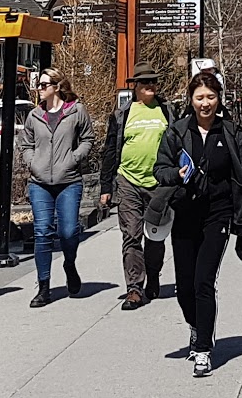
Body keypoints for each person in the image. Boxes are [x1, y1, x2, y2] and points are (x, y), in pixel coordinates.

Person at [156, 70, 242, 378]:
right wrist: (175, 175)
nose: (205, 103)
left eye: (211, 97)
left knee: (204, 281)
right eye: (199, 97)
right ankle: (195, 325)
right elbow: (159, 169)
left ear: (219, 99)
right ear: (190, 100)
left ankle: (203, 347)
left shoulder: (230, 132)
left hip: (218, 214)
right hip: (185, 215)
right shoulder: (177, 132)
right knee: (184, 289)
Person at [101, 63, 174, 308]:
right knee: (131, 236)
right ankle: (134, 288)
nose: (150, 86)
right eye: (144, 83)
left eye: (153, 81)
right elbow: (110, 150)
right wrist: (105, 186)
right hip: (128, 180)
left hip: (158, 183)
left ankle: (153, 277)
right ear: (135, 87)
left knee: (155, 237)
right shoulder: (122, 114)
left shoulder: (166, 111)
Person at [20, 68, 94, 307]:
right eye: (38, 85)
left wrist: (73, 159)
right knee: (42, 233)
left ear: (56, 86)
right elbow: (26, 144)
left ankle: (69, 264)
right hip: (39, 182)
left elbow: (87, 139)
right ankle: (43, 287)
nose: (39, 89)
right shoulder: (34, 115)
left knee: (69, 231)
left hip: (69, 181)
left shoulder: (76, 111)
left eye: (43, 85)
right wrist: (32, 162)